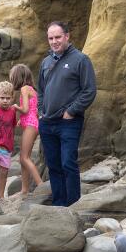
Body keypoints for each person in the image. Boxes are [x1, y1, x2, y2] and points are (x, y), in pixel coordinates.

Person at [37, 21, 97, 207]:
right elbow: (40, 90)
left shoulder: (80, 60)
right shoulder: (46, 62)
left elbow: (89, 90)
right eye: (51, 38)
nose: (54, 41)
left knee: (68, 164)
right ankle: (59, 205)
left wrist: (71, 111)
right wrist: (41, 111)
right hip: (47, 123)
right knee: (53, 166)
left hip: (68, 122)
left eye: (58, 37)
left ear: (67, 36)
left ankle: (73, 206)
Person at [9, 63, 44, 196]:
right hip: (31, 123)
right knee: (23, 158)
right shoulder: (31, 89)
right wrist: (20, 119)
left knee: (24, 158)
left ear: (18, 76)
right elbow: (33, 110)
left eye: (12, 77)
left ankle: (40, 185)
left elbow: (25, 109)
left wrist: (16, 107)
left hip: (30, 125)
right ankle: (24, 189)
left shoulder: (24, 89)